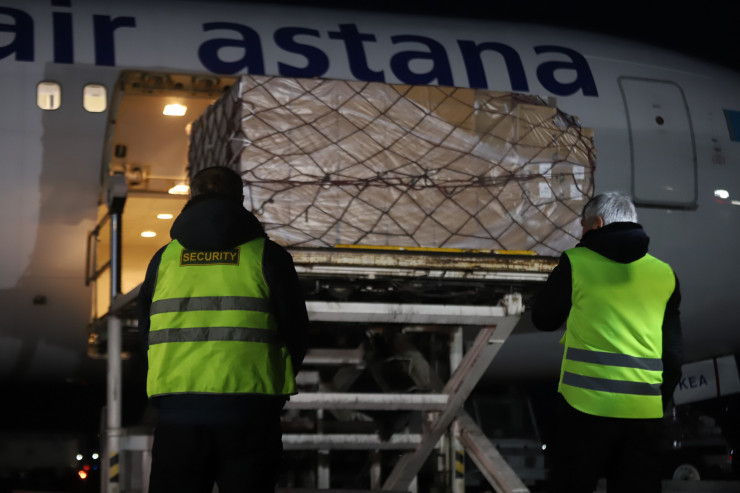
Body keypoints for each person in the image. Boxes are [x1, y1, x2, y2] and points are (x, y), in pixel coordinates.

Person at [138, 166, 309, 493]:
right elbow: (296, 331)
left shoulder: (164, 260)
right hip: (251, 411)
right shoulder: (267, 256)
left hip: (178, 412)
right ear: (240, 199)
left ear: (191, 197)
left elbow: (146, 333)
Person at [532, 191, 682, 493]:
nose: (581, 234)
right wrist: (658, 400)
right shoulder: (664, 273)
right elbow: (673, 356)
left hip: (585, 410)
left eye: (583, 227)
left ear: (597, 224)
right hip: (643, 414)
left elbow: (544, 318)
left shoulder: (576, 263)